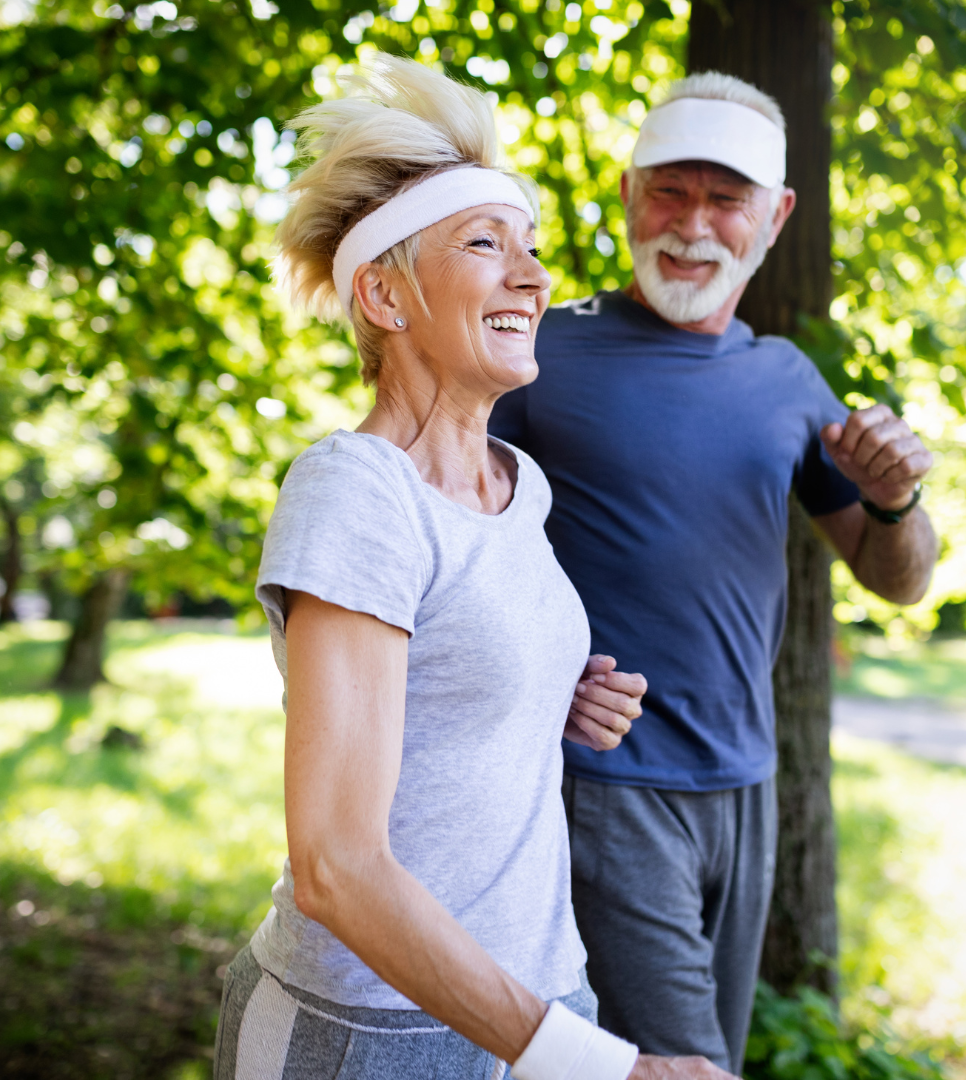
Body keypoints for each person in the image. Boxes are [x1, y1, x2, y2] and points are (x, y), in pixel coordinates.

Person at [214, 55, 735, 1080]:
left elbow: (451, 680)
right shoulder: (357, 490)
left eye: (532, 249)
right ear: (385, 295)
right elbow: (336, 865)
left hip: (536, 997)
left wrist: (546, 693)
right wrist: (601, 1066)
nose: (536, 277)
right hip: (370, 1033)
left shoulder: (519, 485)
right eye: (486, 245)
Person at [489, 72, 938, 1075]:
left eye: (725, 199)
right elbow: (439, 531)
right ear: (626, 193)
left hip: (746, 788)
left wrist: (897, 502)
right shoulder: (537, 352)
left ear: (774, 217)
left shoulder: (789, 380)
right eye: (670, 191)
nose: (693, 226)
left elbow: (893, 577)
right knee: (683, 1068)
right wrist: (527, 673)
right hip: (605, 780)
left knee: (701, 1058)